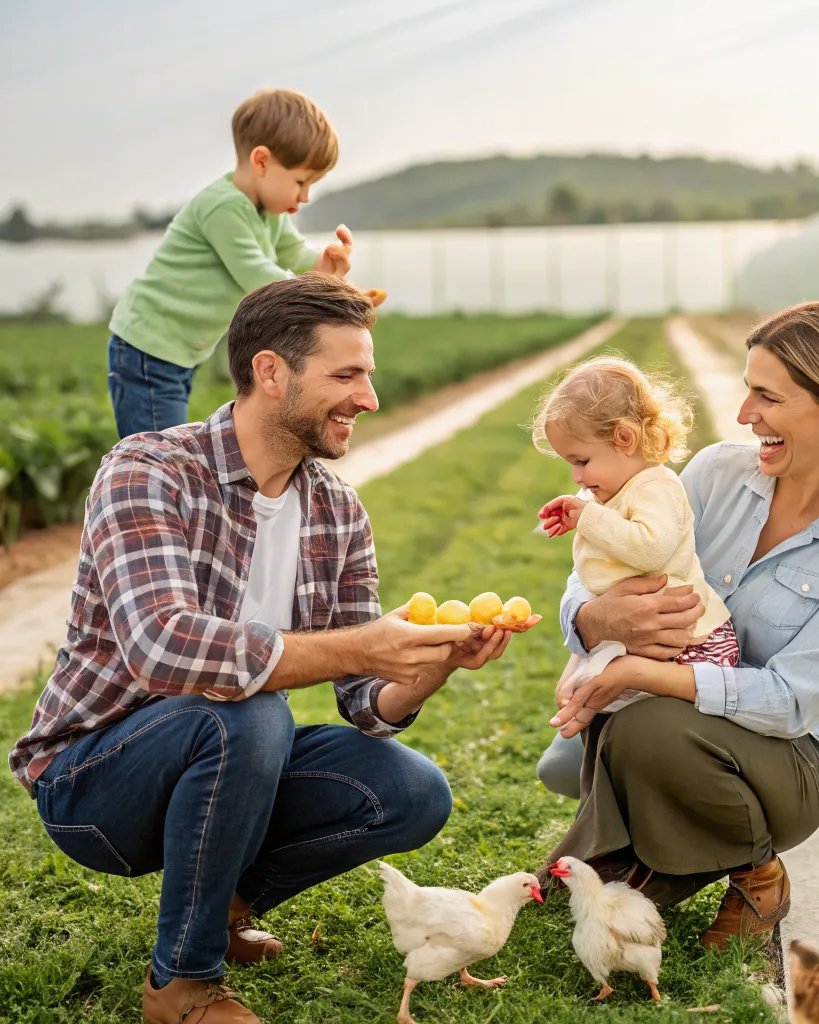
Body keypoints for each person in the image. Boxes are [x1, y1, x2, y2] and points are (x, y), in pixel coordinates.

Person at [10, 275, 516, 1024]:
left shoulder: (336, 509)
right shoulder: (148, 470)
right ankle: (182, 985)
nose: (369, 398)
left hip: (223, 761)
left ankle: (217, 909)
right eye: (347, 376)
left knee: (410, 789)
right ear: (271, 372)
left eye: (368, 375)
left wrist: (420, 669)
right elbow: (162, 647)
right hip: (92, 782)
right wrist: (364, 645)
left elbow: (365, 708)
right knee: (248, 714)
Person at [536, 301, 819, 950]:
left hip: (784, 756)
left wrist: (645, 672)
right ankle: (650, 862)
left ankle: (756, 870)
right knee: (567, 762)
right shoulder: (718, 473)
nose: (745, 414)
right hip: (687, 714)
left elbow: (792, 699)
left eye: (768, 396)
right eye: (747, 390)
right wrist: (590, 617)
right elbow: (614, 556)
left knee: (645, 725)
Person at [107, 87, 383, 439]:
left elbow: (293, 252)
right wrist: (324, 298)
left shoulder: (269, 212)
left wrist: (325, 265)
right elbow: (260, 277)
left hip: (179, 352)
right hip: (146, 347)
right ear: (262, 162)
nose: (305, 196)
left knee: (169, 449)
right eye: (300, 181)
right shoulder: (223, 208)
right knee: (155, 456)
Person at [533, 356, 735, 726]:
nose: (576, 476)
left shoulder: (657, 487)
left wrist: (590, 518)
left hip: (690, 641)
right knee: (595, 706)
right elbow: (607, 559)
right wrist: (582, 517)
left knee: (639, 721)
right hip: (647, 633)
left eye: (581, 460)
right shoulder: (615, 491)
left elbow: (649, 549)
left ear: (624, 438)